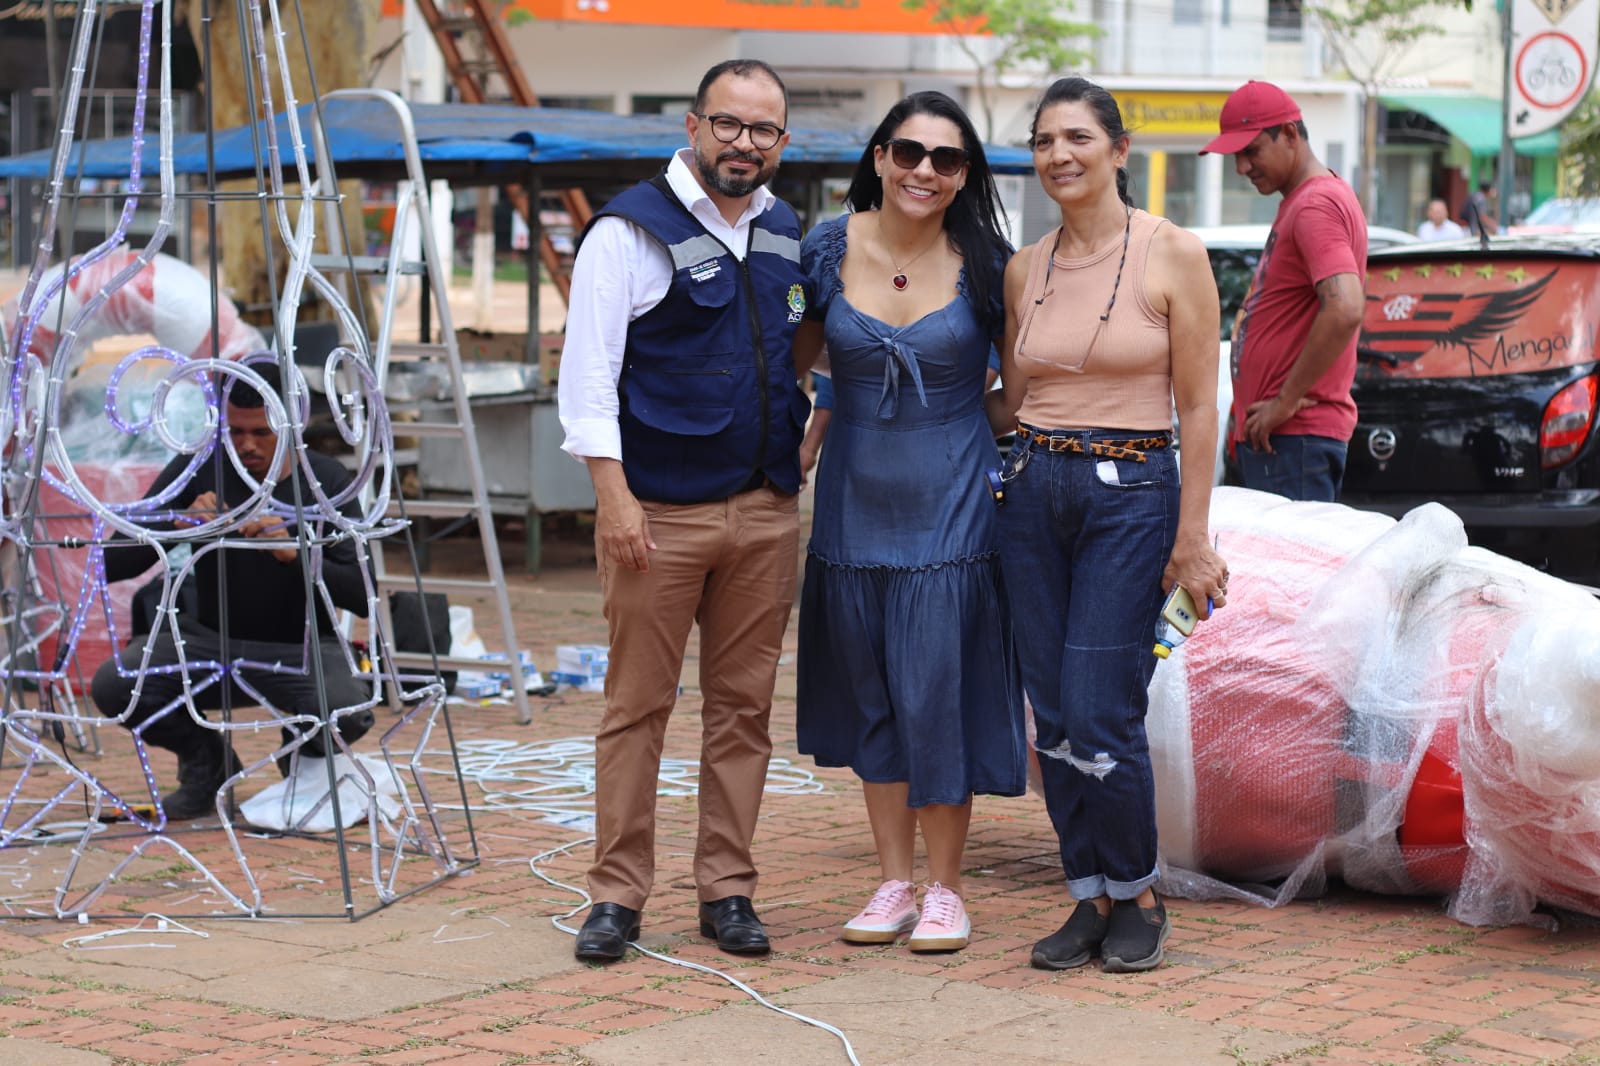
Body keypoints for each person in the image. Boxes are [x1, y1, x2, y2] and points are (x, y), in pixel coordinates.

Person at [555, 59, 809, 964]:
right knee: (637, 709)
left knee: (742, 713)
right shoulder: (626, 231)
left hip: (765, 513)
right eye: (730, 125)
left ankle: (727, 891)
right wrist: (613, 500)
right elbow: (586, 381)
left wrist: (804, 453)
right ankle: (617, 897)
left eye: (764, 131)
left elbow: (795, 355)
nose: (745, 145)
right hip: (655, 515)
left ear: (783, 142)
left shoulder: (783, 229)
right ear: (695, 125)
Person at [987, 76, 1226, 973]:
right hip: (1031, 490)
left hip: (1131, 493)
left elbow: (1200, 409)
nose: (1060, 156)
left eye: (1078, 137)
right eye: (1044, 141)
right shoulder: (1025, 267)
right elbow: (1014, 404)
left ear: (1119, 150)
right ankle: (1085, 893)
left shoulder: (1176, 254)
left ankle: (1138, 893)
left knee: (1101, 708)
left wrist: (1192, 536)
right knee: (1050, 713)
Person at [794, 90, 1025, 954]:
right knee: (872, 694)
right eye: (909, 152)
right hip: (852, 508)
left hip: (954, 511)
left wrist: (967, 427)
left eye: (947, 158)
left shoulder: (988, 263)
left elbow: (1018, 397)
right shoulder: (825, 247)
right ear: (881, 158)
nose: (925, 170)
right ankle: (892, 880)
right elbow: (798, 359)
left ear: (966, 175)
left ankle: (946, 890)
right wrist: (814, 425)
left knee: (937, 693)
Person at [91, 363, 374, 821]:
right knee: (117, 682)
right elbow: (112, 563)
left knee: (347, 705)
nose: (246, 445)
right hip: (209, 642)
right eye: (235, 430)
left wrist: (296, 553)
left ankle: (303, 767)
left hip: (299, 647)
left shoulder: (324, 479)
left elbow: (364, 593)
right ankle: (207, 764)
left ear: (290, 422)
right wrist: (176, 522)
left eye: (261, 432)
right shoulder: (199, 467)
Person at [1200, 79, 1367, 502]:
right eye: (1236, 156)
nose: (1241, 168)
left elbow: (1345, 307)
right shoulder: (1307, 200)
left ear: (1289, 134)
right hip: (1286, 441)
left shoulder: (1314, 205)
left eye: (1251, 151)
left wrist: (1284, 402)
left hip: (1294, 440)